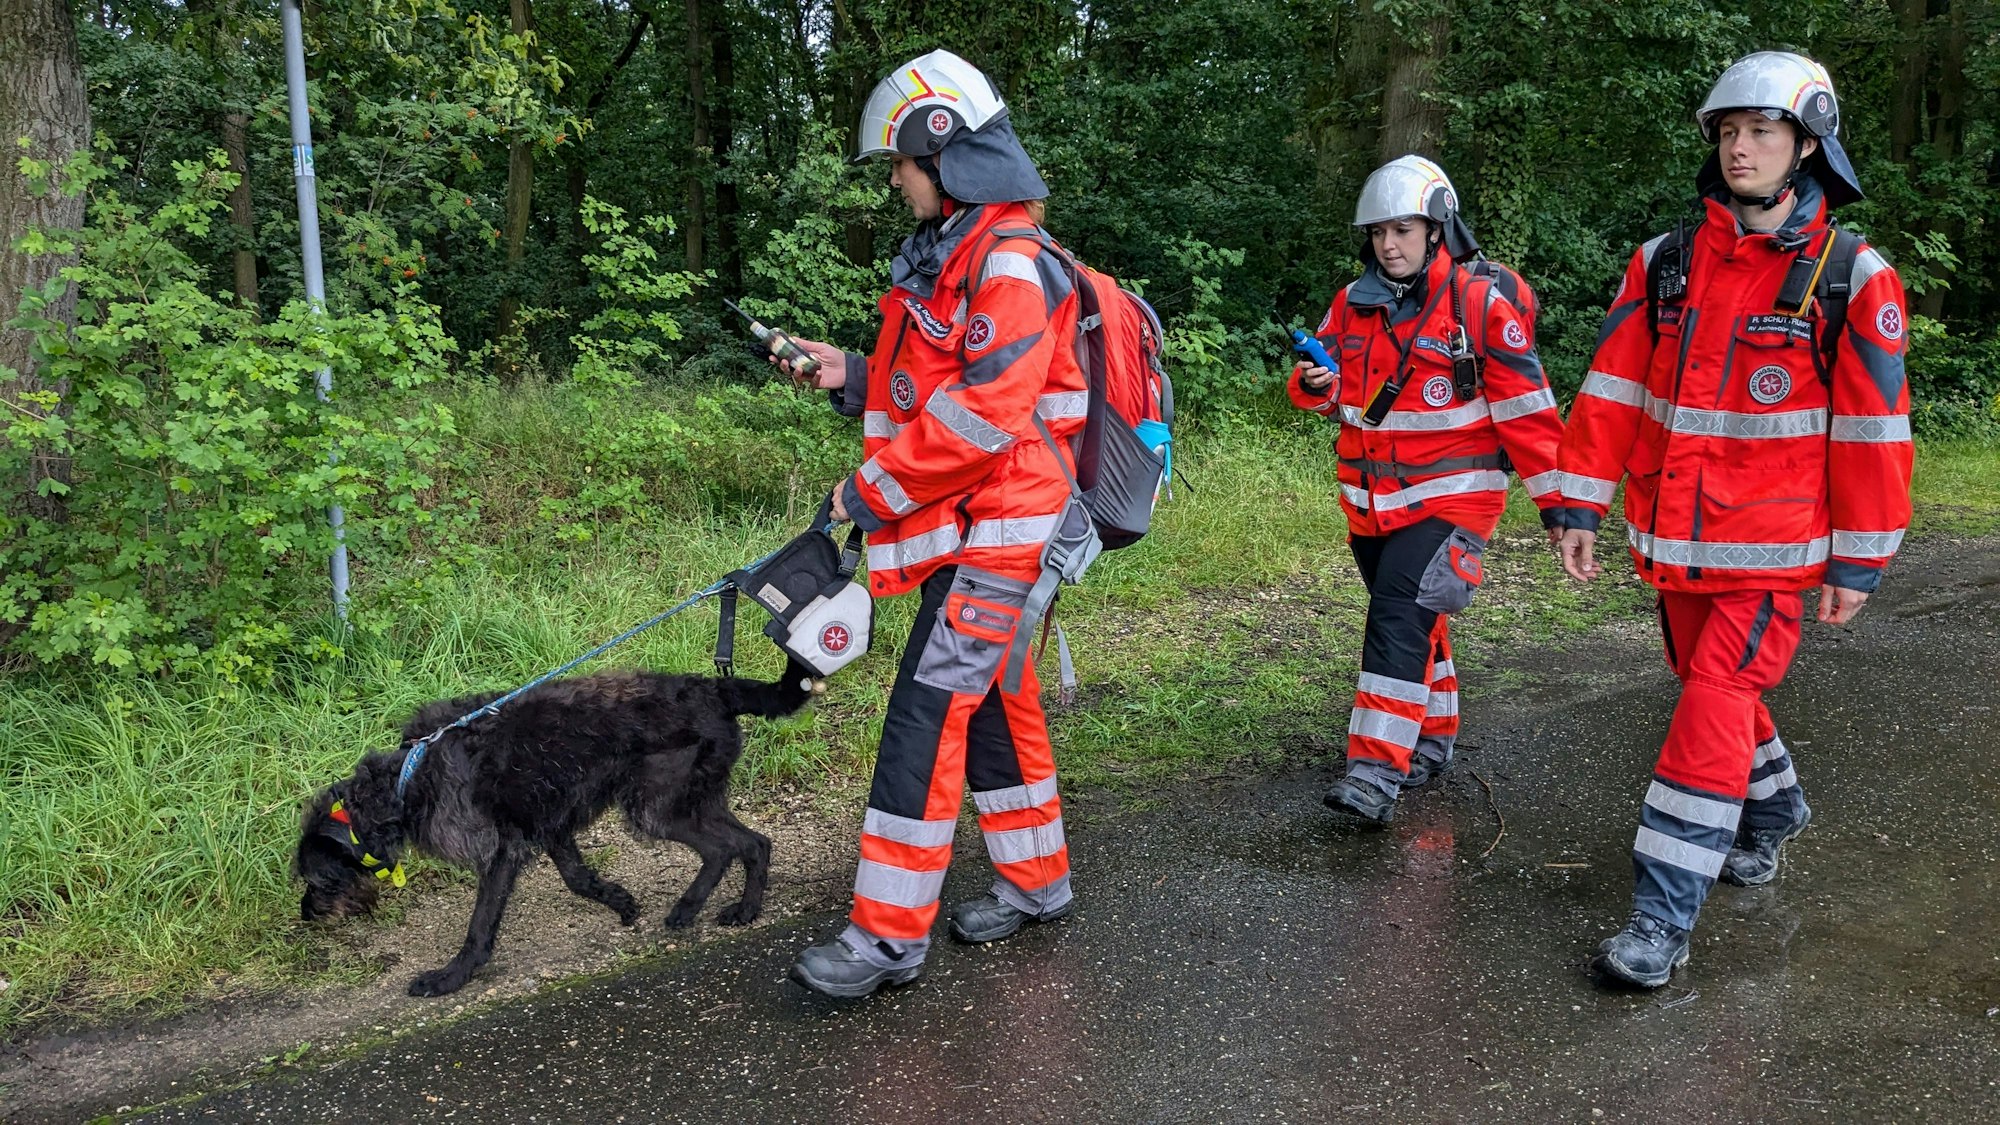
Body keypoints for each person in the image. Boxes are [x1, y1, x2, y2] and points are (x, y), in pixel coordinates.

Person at [1556, 51, 1913, 988]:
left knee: (1709, 707)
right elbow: (1613, 390)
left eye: (1761, 130)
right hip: (1674, 540)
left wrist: (1859, 560)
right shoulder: (1664, 264)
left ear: (1808, 144)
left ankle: (1660, 917)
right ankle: (1777, 809)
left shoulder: (1852, 275)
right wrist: (1577, 497)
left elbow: (1874, 433)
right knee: (1707, 683)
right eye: (1728, 131)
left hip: (1778, 551)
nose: (1740, 146)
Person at [771, 49, 1085, 999]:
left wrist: (868, 491)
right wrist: (854, 377)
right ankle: (1038, 883)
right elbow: (945, 386)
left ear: (941, 152)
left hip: (1006, 533)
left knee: (922, 714)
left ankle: (885, 940)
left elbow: (987, 416)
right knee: (991, 702)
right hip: (981, 530)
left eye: (900, 164)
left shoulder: (1011, 264)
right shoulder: (959, 259)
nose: (897, 181)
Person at [1289, 155, 1566, 826]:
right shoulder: (1352, 304)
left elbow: (1530, 414)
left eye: (1405, 229)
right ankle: (1431, 742)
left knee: (1394, 620)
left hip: (1452, 501)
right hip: (1371, 506)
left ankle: (1374, 770)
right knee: (1421, 621)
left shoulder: (1477, 304)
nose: (1390, 243)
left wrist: (1562, 506)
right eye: (1380, 231)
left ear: (1437, 229)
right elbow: (1324, 390)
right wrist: (1312, 385)